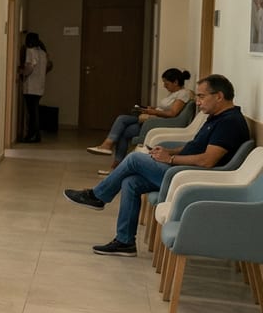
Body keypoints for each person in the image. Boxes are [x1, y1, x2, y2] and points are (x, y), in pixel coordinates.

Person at [64, 74, 250, 257]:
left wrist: (169, 160)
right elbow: (194, 147)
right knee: (130, 182)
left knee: (134, 159)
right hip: (181, 171)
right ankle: (125, 242)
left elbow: (207, 160)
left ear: (219, 96)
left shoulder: (229, 122)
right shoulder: (215, 117)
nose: (198, 102)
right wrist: (170, 152)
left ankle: (97, 196)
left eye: (202, 96)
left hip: (190, 178)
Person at [86, 68, 193, 172]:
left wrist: (153, 112)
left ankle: (107, 145)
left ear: (175, 82)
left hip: (155, 122)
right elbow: (167, 108)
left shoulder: (183, 93)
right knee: (124, 132)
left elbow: (172, 113)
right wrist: (151, 109)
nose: (164, 86)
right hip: (152, 119)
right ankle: (117, 165)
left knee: (122, 119)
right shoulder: (174, 93)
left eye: (166, 83)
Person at [19, 32, 49, 143]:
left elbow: (30, 67)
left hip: (31, 86)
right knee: (34, 111)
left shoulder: (30, 51)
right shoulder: (43, 52)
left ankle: (32, 135)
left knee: (32, 113)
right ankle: (36, 134)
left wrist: (22, 73)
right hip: (40, 85)